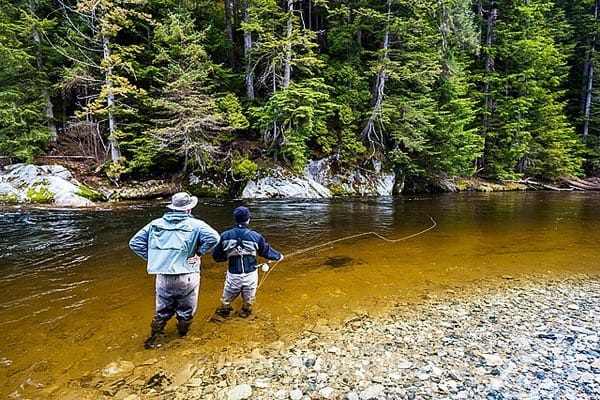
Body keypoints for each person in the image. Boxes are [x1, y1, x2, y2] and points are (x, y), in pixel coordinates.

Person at [129, 192, 220, 348]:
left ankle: (153, 339)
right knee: (186, 310)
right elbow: (214, 238)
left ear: (172, 208)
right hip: (188, 276)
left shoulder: (154, 224)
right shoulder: (197, 225)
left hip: (163, 277)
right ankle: (182, 339)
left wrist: (155, 259)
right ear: (189, 209)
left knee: (162, 311)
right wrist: (198, 253)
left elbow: (134, 243)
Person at [212, 206, 283, 318]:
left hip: (233, 275)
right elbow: (265, 251)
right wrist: (278, 256)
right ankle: (245, 313)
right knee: (249, 299)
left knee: (226, 299)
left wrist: (225, 257)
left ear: (235, 219)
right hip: (250, 275)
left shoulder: (225, 236)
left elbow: (216, 256)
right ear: (248, 219)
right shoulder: (255, 236)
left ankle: (224, 314)